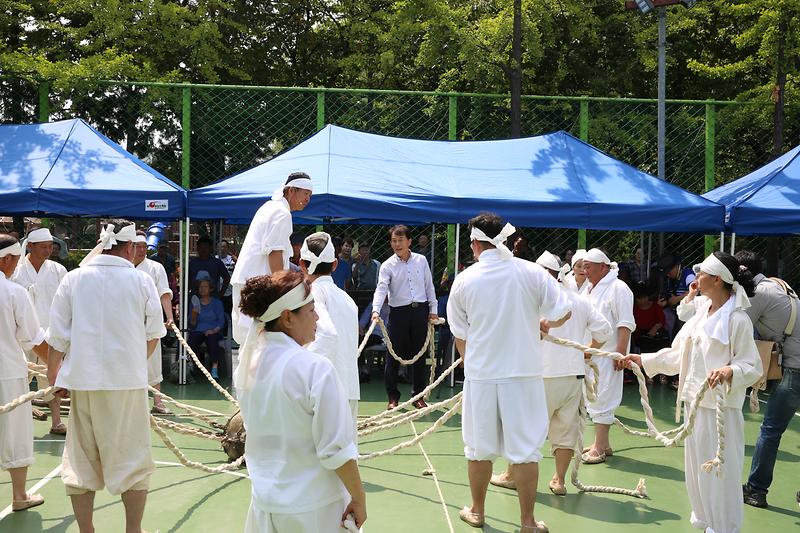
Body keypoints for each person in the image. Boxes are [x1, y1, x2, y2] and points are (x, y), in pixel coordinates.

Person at [447, 214, 571, 531]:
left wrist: (472, 365)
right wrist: (545, 324)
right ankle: (527, 521)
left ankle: (477, 510)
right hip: (524, 374)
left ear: (475, 243)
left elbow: (459, 333)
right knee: (527, 450)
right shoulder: (532, 273)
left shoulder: (465, 279)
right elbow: (563, 309)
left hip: (482, 375)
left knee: (478, 447)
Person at [623, 252, 761, 533]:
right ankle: (706, 523)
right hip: (694, 405)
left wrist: (729, 371)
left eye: (702, 274)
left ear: (718, 279)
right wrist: (644, 360)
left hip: (720, 411)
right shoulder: (700, 313)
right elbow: (678, 356)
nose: (696, 278)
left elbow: (752, 365)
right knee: (698, 472)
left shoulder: (737, 320)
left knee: (721, 475)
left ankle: (724, 528)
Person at [46, 220, 166, 533]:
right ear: (130, 247)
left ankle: (87, 530)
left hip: (82, 383)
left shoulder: (73, 279)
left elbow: (57, 338)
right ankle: (132, 530)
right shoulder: (141, 281)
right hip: (126, 382)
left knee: (81, 459)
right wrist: (134, 361)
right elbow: (154, 333)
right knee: (133, 458)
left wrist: (53, 379)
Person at [234, 271, 366, 532]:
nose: (317, 317)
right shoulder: (315, 368)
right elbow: (335, 449)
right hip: (314, 510)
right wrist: (359, 498)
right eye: (311, 309)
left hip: (265, 506)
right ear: (287, 317)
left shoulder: (248, 366)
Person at [490, 250, 610, 497]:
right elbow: (604, 331)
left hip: (541, 377)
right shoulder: (580, 301)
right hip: (573, 377)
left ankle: (512, 475)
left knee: (525, 429)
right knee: (566, 430)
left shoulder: (535, 302)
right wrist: (587, 353)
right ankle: (559, 479)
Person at [736, 250, 800, 508]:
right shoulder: (780, 285)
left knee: (771, 431)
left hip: (793, 370)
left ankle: (756, 489)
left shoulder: (759, 293)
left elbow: (736, 323)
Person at [230, 172, 312, 355]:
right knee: (255, 344)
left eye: (310, 195)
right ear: (291, 190)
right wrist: (282, 291)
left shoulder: (270, 207)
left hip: (250, 284)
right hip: (257, 287)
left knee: (250, 343)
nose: (308, 199)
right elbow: (274, 253)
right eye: (305, 193)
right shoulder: (281, 213)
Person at [0, 234, 49, 512]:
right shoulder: (13, 292)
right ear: (7, 259)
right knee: (15, 434)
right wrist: (58, 369)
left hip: (9, 369)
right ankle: (19, 495)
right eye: (16, 260)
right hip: (7, 372)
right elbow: (34, 339)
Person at [371, 225, 438, 410]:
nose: (397, 244)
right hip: (398, 313)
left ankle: (419, 396)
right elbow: (381, 289)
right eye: (394, 240)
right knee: (393, 355)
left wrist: (433, 310)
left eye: (400, 240)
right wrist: (376, 310)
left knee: (419, 354)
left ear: (409, 241)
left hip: (420, 312)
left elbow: (429, 285)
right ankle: (393, 397)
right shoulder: (387, 266)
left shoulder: (421, 260)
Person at [300, 232, 360, 430]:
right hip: (349, 388)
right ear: (335, 264)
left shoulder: (314, 293)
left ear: (301, 264)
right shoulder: (347, 300)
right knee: (346, 456)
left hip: (326, 394)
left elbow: (327, 335)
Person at [11, 227, 68, 434]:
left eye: (50, 247)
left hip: (49, 332)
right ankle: (18, 423)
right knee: (20, 377)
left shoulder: (58, 270)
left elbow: (65, 303)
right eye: (43, 247)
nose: (47, 250)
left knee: (52, 377)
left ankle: (56, 421)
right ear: (31, 246)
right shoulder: (16, 270)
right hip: (21, 333)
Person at [582, 248, 635, 464]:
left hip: (608, 353)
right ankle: (602, 442)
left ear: (603, 267)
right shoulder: (589, 289)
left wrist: (620, 353)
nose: (585, 271)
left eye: (589, 266)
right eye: (583, 266)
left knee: (604, 396)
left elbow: (625, 322)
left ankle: (599, 446)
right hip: (591, 352)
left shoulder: (618, 288)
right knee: (594, 395)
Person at [132, 231, 176, 414]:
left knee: (154, 361)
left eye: (144, 247)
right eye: (138, 246)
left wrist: (170, 317)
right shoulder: (123, 267)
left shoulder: (156, 268)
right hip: (129, 322)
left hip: (151, 321)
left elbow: (164, 293)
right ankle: (134, 404)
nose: (142, 250)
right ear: (130, 247)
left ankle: (158, 403)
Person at [188, 278, 226, 379]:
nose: (202, 289)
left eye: (205, 286)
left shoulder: (217, 303)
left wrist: (213, 330)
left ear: (210, 289)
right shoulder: (195, 303)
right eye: (200, 287)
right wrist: (194, 315)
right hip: (198, 331)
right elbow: (192, 325)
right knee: (192, 338)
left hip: (213, 331)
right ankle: (191, 365)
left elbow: (221, 321)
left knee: (212, 339)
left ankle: (214, 368)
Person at [217, 239, 237, 315]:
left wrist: (237, 262)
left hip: (229, 292)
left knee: (228, 313)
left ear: (228, 248)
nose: (222, 249)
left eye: (224, 247)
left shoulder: (232, 260)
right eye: (220, 247)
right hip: (216, 291)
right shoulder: (214, 259)